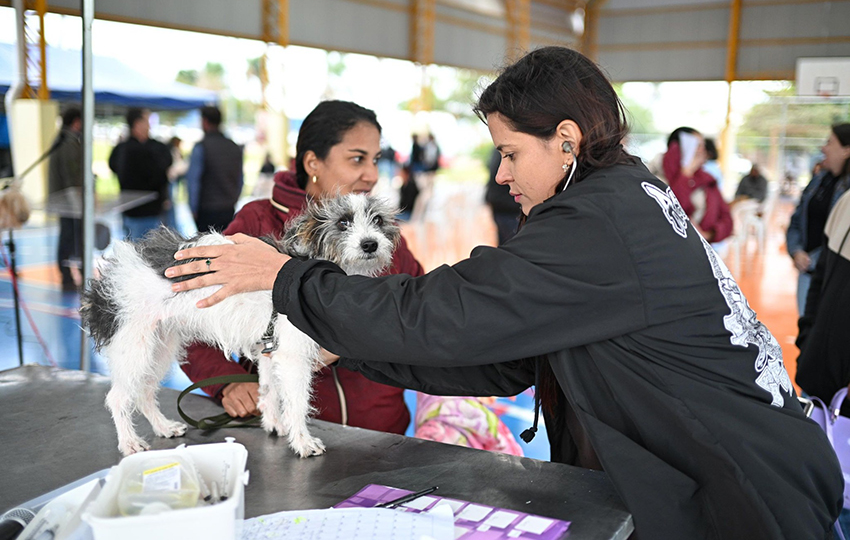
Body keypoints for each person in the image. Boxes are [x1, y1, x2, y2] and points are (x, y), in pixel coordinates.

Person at [166, 47, 842, 539]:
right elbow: (501, 355)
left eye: (512, 153)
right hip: (737, 470)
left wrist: (285, 279)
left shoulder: (598, 222)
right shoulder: (623, 195)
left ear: (566, 141)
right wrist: (346, 346)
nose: (501, 173)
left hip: (742, 494)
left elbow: (446, 314)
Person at [179, 100, 424, 436]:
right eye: (357, 159)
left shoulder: (380, 233)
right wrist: (228, 382)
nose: (372, 174)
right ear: (312, 162)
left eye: (375, 159)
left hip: (382, 430)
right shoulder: (257, 222)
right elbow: (191, 309)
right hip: (280, 425)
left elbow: (417, 309)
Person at [795, 126, 850, 401]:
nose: (823, 148)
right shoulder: (844, 203)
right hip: (818, 368)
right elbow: (819, 282)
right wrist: (807, 340)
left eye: (830, 142)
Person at [786, 123, 850, 315]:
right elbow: (796, 220)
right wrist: (796, 251)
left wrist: (814, 259)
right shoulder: (819, 181)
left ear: (846, 151)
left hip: (835, 277)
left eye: (830, 143)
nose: (823, 148)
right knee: (806, 326)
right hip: (808, 272)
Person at [108, 107, 172, 241]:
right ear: (137, 124)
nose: (149, 126)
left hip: (140, 209)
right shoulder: (133, 149)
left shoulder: (123, 148)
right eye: (147, 121)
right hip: (142, 210)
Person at [662, 126, 733, 244]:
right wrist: (686, 174)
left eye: (702, 146)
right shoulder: (657, 179)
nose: (701, 151)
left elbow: (727, 218)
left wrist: (709, 234)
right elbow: (674, 211)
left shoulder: (707, 180)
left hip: (704, 248)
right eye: (697, 145)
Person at [187, 106, 244, 233]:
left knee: (205, 243)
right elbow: (240, 179)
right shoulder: (234, 146)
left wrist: (193, 208)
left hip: (206, 209)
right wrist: (234, 199)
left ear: (205, 121)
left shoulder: (201, 147)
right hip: (228, 207)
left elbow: (194, 181)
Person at [47, 105, 83, 291]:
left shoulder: (62, 139)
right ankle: (68, 276)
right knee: (70, 239)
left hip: (65, 201)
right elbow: (71, 178)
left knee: (68, 238)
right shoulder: (68, 143)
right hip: (69, 203)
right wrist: (78, 206)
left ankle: (69, 275)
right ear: (77, 122)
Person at [484, 148, 518, 244]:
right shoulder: (505, 148)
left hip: (500, 202)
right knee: (511, 242)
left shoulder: (499, 149)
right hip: (506, 205)